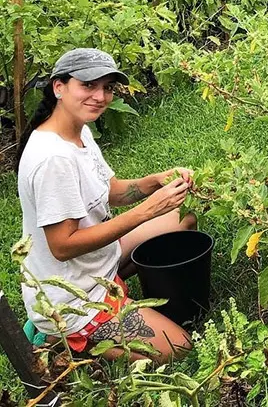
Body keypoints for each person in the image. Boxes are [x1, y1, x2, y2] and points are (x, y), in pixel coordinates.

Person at [15, 48, 196, 363]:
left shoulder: (78, 131)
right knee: (179, 347)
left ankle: (118, 293)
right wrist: (148, 210)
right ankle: (63, 337)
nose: (100, 96)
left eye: (108, 87)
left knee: (182, 217)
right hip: (74, 300)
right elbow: (62, 245)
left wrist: (155, 181)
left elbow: (109, 191)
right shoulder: (53, 159)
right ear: (59, 87)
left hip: (97, 267)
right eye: (88, 85)